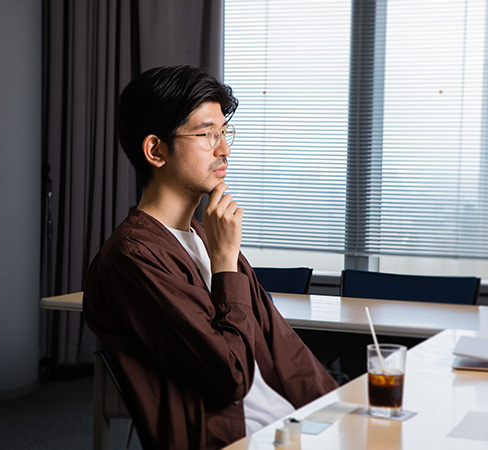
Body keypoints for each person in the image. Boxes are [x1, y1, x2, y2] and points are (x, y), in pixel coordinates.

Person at [83, 65, 338, 450]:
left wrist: (344, 409)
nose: (225, 150)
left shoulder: (206, 234)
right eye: (206, 135)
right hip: (239, 439)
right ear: (156, 150)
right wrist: (224, 265)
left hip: (293, 429)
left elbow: (282, 346)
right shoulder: (133, 258)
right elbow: (230, 377)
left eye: (223, 133)